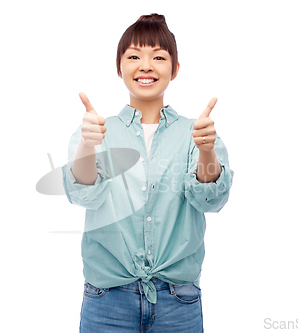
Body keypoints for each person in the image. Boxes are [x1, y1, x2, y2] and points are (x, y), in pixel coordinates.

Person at [62, 13, 233, 332]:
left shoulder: (195, 132)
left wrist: (206, 149)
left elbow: (211, 199)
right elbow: (82, 193)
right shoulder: (97, 130)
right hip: (107, 301)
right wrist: (87, 145)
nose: (145, 65)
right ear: (119, 67)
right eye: (134, 56)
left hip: (178, 303)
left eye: (158, 56)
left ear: (175, 68)